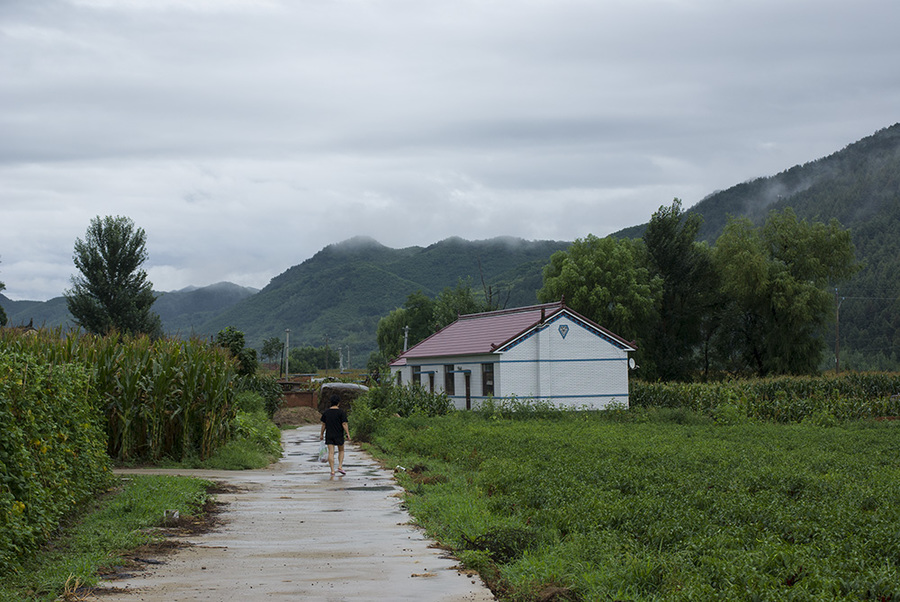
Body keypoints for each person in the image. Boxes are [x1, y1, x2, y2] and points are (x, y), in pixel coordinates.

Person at [319, 394, 350, 476]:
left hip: (329, 435)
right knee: (341, 450)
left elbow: (323, 425)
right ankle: (340, 466)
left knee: (331, 453)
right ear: (338, 403)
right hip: (339, 435)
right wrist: (348, 434)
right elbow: (344, 424)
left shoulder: (326, 412)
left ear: (331, 402)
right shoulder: (341, 412)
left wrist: (321, 434)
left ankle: (332, 471)